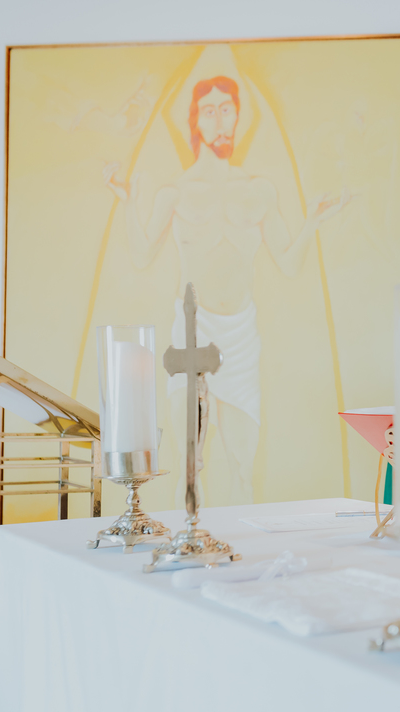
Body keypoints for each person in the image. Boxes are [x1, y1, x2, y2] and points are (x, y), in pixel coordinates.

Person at [105, 75, 345, 504]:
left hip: (239, 336)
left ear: (238, 117)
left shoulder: (259, 191)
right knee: (189, 462)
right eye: (209, 110)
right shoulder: (175, 192)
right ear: (195, 121)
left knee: (241, 462)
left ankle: (241, 553)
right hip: (191, 333)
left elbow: (288, 262)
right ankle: (187, 542)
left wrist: (311, 222)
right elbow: (141, 254)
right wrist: (126, 203)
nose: (219, 119)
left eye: (227, 108)